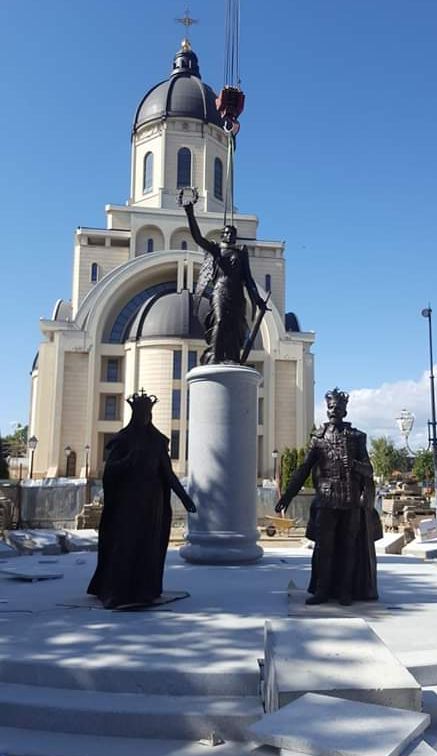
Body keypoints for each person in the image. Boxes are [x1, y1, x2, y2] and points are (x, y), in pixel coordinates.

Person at [87, 391, 196, 609]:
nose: (145, 418)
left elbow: (167, 473)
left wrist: (185, 498)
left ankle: (145, 589)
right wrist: (128, 460)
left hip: (152, 504)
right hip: (127, 503)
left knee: (148, 546)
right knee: (124, 545)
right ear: (134, 415)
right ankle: (117, 590)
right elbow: (110, 471)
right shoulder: (123, 439)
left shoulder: (157, 441)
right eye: (141, 414)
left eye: (147, 415)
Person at [275, 388, 379, 606]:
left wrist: (355, 465)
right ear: (327, 409)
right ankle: (322, 591)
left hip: (350, 500)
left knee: (348, 547)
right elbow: (303, 469)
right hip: (326, 499)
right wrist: (287, 496)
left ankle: (345, 591)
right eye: (331, 407)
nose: (334, 411)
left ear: (345, 411)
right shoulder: (318, 439)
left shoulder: (357, 437)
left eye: (338, 407)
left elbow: (369, 470)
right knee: (324, 548)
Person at [182, 199, 267, 364]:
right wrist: (190, 213)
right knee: (220, 321)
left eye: (232, 233)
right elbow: (198, 238)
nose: (230, 235)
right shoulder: (216, 250)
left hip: (237, 294)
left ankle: (232, 358)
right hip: (220, 291)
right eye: (227, 233)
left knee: (235, 327)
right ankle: (215, 357)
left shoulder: (241, 253)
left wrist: (258, 300)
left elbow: (248, 279)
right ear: (222, 235)